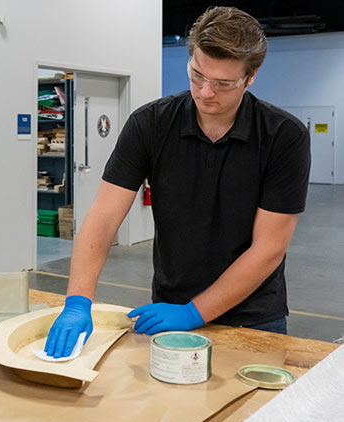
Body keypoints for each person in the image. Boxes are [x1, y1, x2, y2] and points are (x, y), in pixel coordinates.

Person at [44, 6, 311, 358]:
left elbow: (267, 250)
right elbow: (104, 216)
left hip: (253, 318)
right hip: (167, 311)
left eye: (223, 83)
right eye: (197, 75)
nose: (205, 92)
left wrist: (194, 313)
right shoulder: (150, 125)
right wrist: (78, 300)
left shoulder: (283, 137)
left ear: (251, 77)